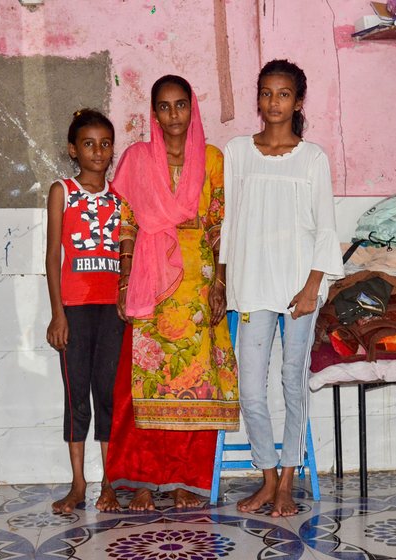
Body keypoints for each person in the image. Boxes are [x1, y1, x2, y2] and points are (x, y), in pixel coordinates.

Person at [101, 75, 240, 512]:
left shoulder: (213, 159)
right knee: (147, 384)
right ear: (154, 112)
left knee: (196, 387)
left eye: (181, 105)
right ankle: (145, 480)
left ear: (192, 108)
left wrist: (220, 283)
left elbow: (220, 224)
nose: (173, 115)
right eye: (165, 106)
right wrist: (124, 282)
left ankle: (186, 481)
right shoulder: (138, 158)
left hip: (197, 283)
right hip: (149, 279)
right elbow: (126, 224)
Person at [219, 59, 344, 517]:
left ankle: (288, 482)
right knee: (251, 389)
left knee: (293, 381)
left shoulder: (313, 158)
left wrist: (313, 286)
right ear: (258, 98)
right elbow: (229, 224)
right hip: (251, 285)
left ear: (298, 100)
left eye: (284, 94)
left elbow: (326, 230)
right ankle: (267, 478)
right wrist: (222, 280)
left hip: (299, 290)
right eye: (267, 93)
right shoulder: (236, 152)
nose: (275, 102)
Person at [45, 109, 125, 513]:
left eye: (105, 143)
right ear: (74, 150)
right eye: (89, 144)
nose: (98, 151)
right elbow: (51, 256)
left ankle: (110, 482)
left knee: (108, 396)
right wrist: (58, 314)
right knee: (77, 399)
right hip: (74, 310)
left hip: (112, 312)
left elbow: (128, 257)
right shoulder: (62, 190)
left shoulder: (120, 197)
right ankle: (78, 484)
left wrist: (127, 301)